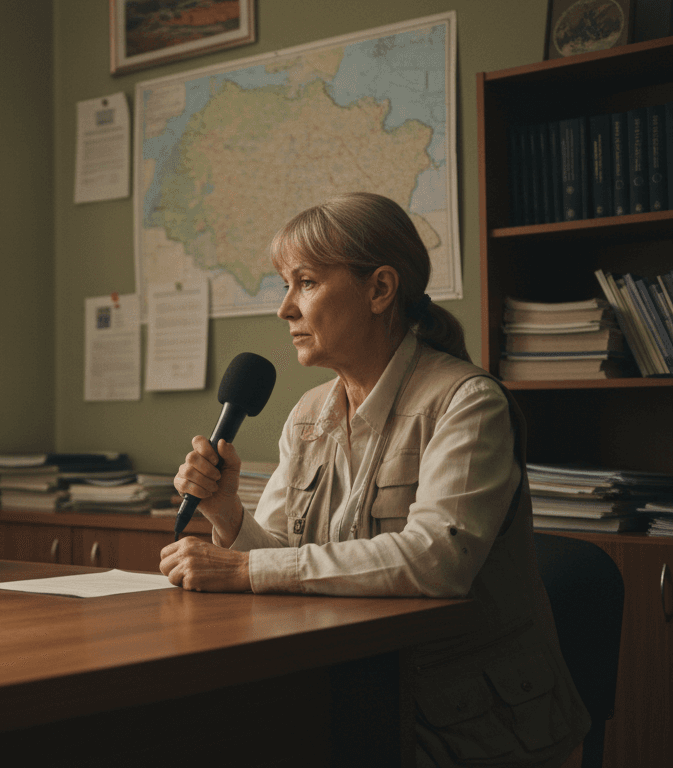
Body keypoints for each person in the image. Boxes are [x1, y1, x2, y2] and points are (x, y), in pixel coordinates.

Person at [159, 192, 588, 767]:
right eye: (285, 285)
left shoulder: (468, 403)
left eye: (306, 282)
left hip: (474, 729)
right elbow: (283, 559)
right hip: (353, 696)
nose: (285, 308)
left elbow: (436, 560)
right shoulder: (309, 413)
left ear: (380, 290)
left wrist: (245, 566)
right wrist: (228, 514)